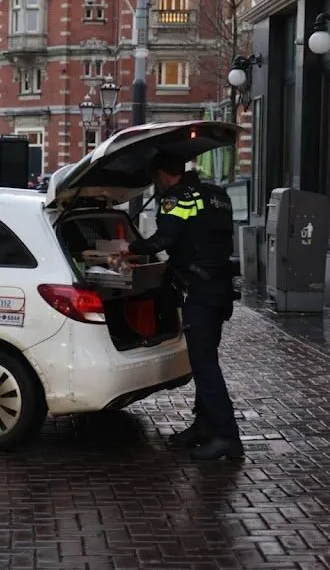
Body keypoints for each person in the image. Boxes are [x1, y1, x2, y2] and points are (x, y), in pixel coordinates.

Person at [119, 152, 241, 460]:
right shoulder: (216, 194)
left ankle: (227, 436)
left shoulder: (178, 198)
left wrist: (128, 248)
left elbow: (163, 240)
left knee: (204, 364)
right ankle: (204, 425)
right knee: (206, 358)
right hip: (220, 286)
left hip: (199, 289)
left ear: (161, 174)